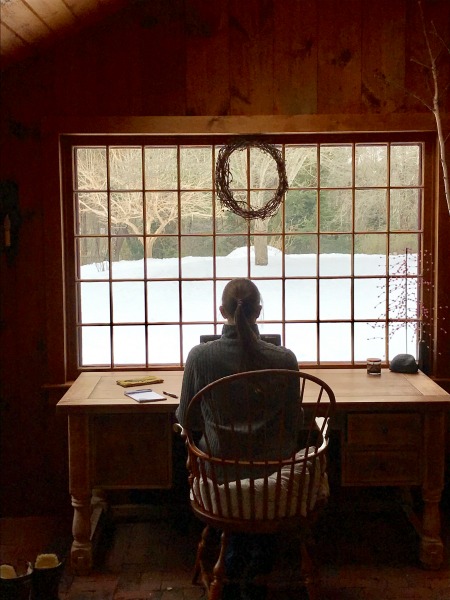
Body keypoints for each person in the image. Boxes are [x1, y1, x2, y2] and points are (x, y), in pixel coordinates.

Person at [176, 278, 301, 600]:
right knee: (261, 486)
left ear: (222, 311)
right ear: (259, 311)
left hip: (220, 477)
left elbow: (187, 420)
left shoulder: (200, 357)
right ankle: (256, 566)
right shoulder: (284, 359)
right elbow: (295, 423)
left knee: (236, 487)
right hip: (275, 478)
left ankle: (234, 566)